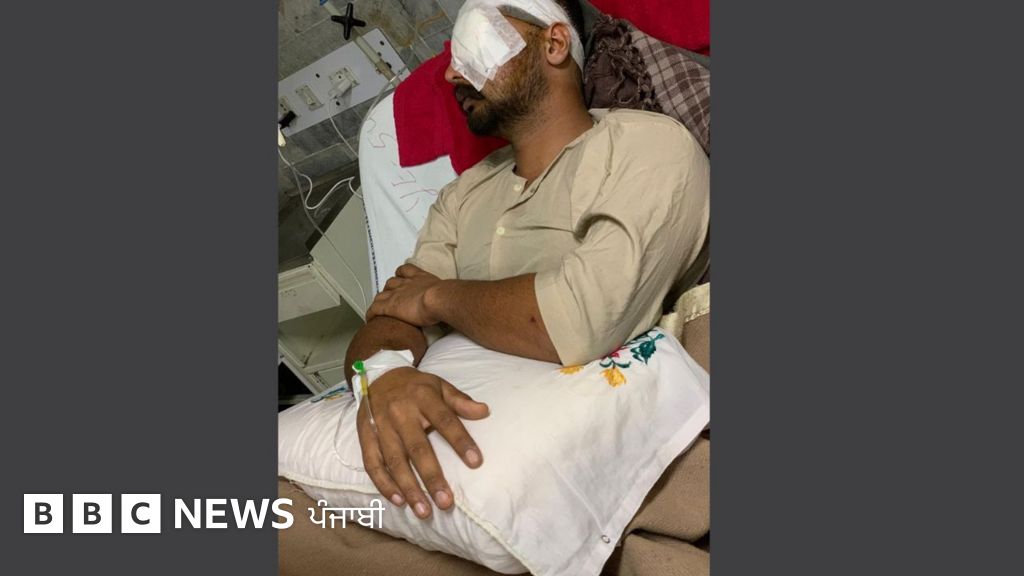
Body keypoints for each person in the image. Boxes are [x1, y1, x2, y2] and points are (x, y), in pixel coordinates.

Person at [343, 0, 709, 521]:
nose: (450, 74)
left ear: (554, 43)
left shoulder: (648, 147)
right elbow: (390, 316)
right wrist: (383, 375)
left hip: (600, 471)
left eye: (474, 43)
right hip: (457, 479)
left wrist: (436, 297)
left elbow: (579, 323)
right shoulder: (461, 197)